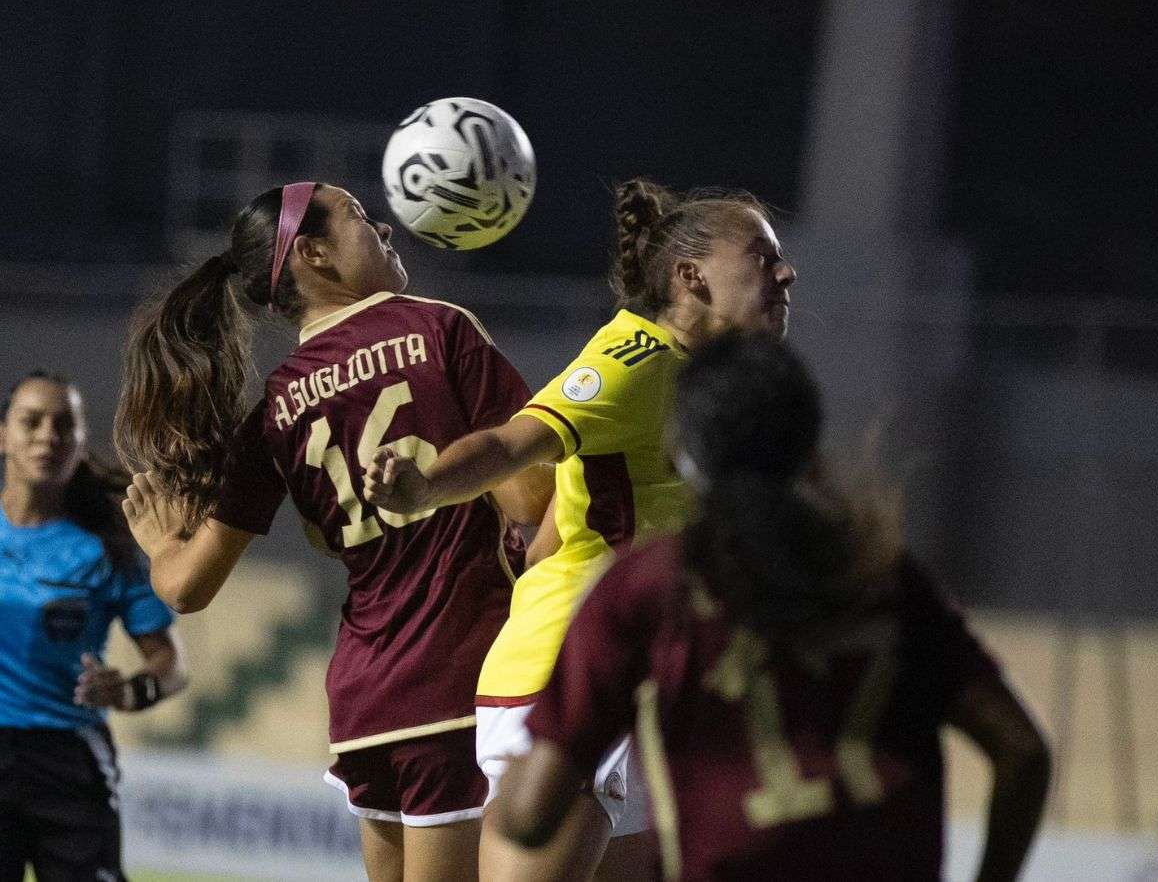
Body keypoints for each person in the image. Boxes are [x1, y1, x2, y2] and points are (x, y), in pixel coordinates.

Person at [115, 182, 553, 882]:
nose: (382, 224)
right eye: (357, 215)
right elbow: (532, 495)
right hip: (459, 672)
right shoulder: (439, 327)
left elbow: (187, 587)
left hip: (364, 699)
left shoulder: (275, 409)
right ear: (313, 253)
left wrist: (162, 542)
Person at [496, 332, 1052, 882]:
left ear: (682, 454)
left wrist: (509, 767)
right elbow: (1022, 750)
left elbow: (531, 818)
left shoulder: (650, 585)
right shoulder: (880, 575)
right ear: (811, 447)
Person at [363, 179, 796, 881]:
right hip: (569, 681)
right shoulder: (635, 360)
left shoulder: (707, 384)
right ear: (691, 277)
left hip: (644, 691)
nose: (786, 271)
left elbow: (565, 529)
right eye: (761, 255)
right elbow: (514, 443)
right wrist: (424, 487)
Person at [0, 371, 186, 882]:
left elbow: (171, 667)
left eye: (64, 425)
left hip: (69, 763)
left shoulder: (108, 549)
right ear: (2, 435)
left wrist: (129, 688)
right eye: (31, 422)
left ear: (81, 440)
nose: (47, 436)